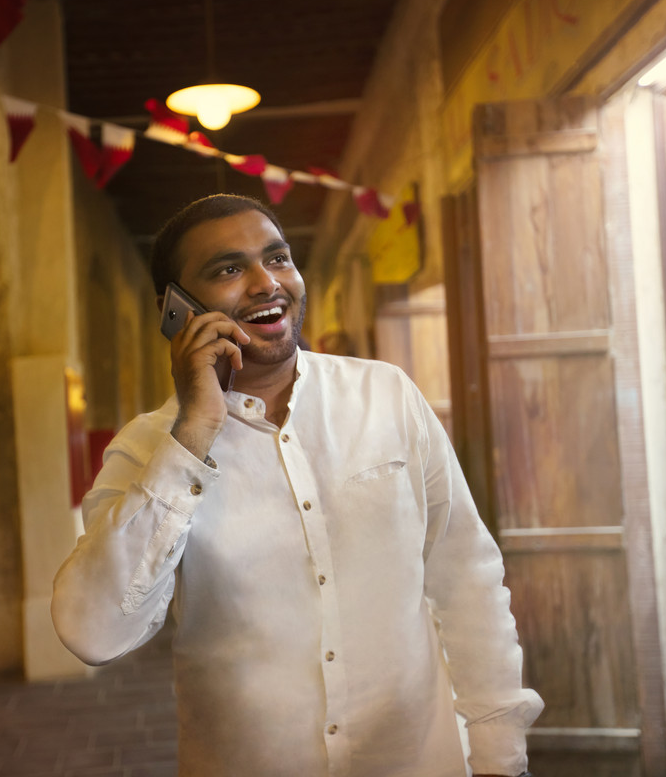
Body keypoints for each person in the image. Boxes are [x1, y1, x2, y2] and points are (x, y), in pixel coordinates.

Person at [52, 194, 543, 776]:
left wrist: (499, 755)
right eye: (229, 269)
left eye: (278, 258)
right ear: (175, 309)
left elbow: (466, 577)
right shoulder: (147, 450)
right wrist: (192, 436)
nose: (267, 282)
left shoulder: (387, 396)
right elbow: (96, 632)